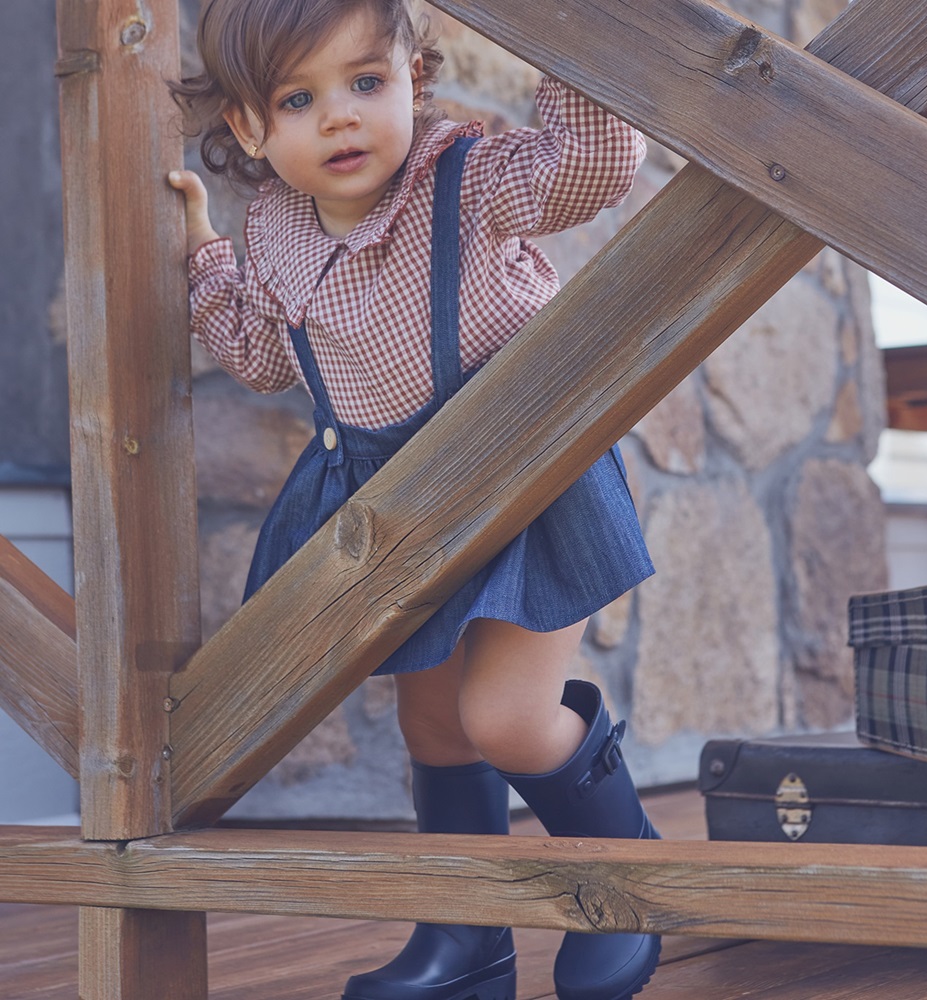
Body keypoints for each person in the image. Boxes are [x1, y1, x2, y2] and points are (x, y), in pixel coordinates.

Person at [168, 1, 659, 998]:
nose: (341, 117)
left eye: (365, 82)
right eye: (299, 99)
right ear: (250, 130)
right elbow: (264, 355)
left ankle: (626, 882)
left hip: (520, 477)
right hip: (398, 509)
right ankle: (464, 937)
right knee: (432, 729)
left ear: (414, 79)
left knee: (505, 718)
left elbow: (595, 164)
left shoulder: (467, 178)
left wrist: (565, 41)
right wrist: (206, 254)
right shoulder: (274, 233)